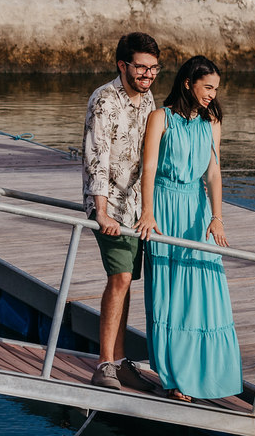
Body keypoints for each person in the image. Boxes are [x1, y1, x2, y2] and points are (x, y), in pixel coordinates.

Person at [135, 55, 242, 402]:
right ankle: (175, 376)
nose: (212, 94)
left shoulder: (212, 121)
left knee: (205, 290)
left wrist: (217, 216)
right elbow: (148, 169)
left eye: (215, 89)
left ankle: (210, 372)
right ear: (187, 83)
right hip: (165, 207)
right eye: (207, 87)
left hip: (196, 210)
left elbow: (213, 172)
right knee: (170, 293)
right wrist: (148, 213)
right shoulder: (159, 118)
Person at [82, 32, 160, 391]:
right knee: (120, 279)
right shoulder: (104, 100)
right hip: (109, 205)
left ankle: (119, 360)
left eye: (154, 68)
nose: (147, 74)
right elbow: (96, 157)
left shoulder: (148, 100)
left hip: (134, 210)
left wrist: (148, 209)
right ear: (122, 65)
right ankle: (103, 365)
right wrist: (101, 212)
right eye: (141, 67)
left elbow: (147, 159)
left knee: (127, 281)